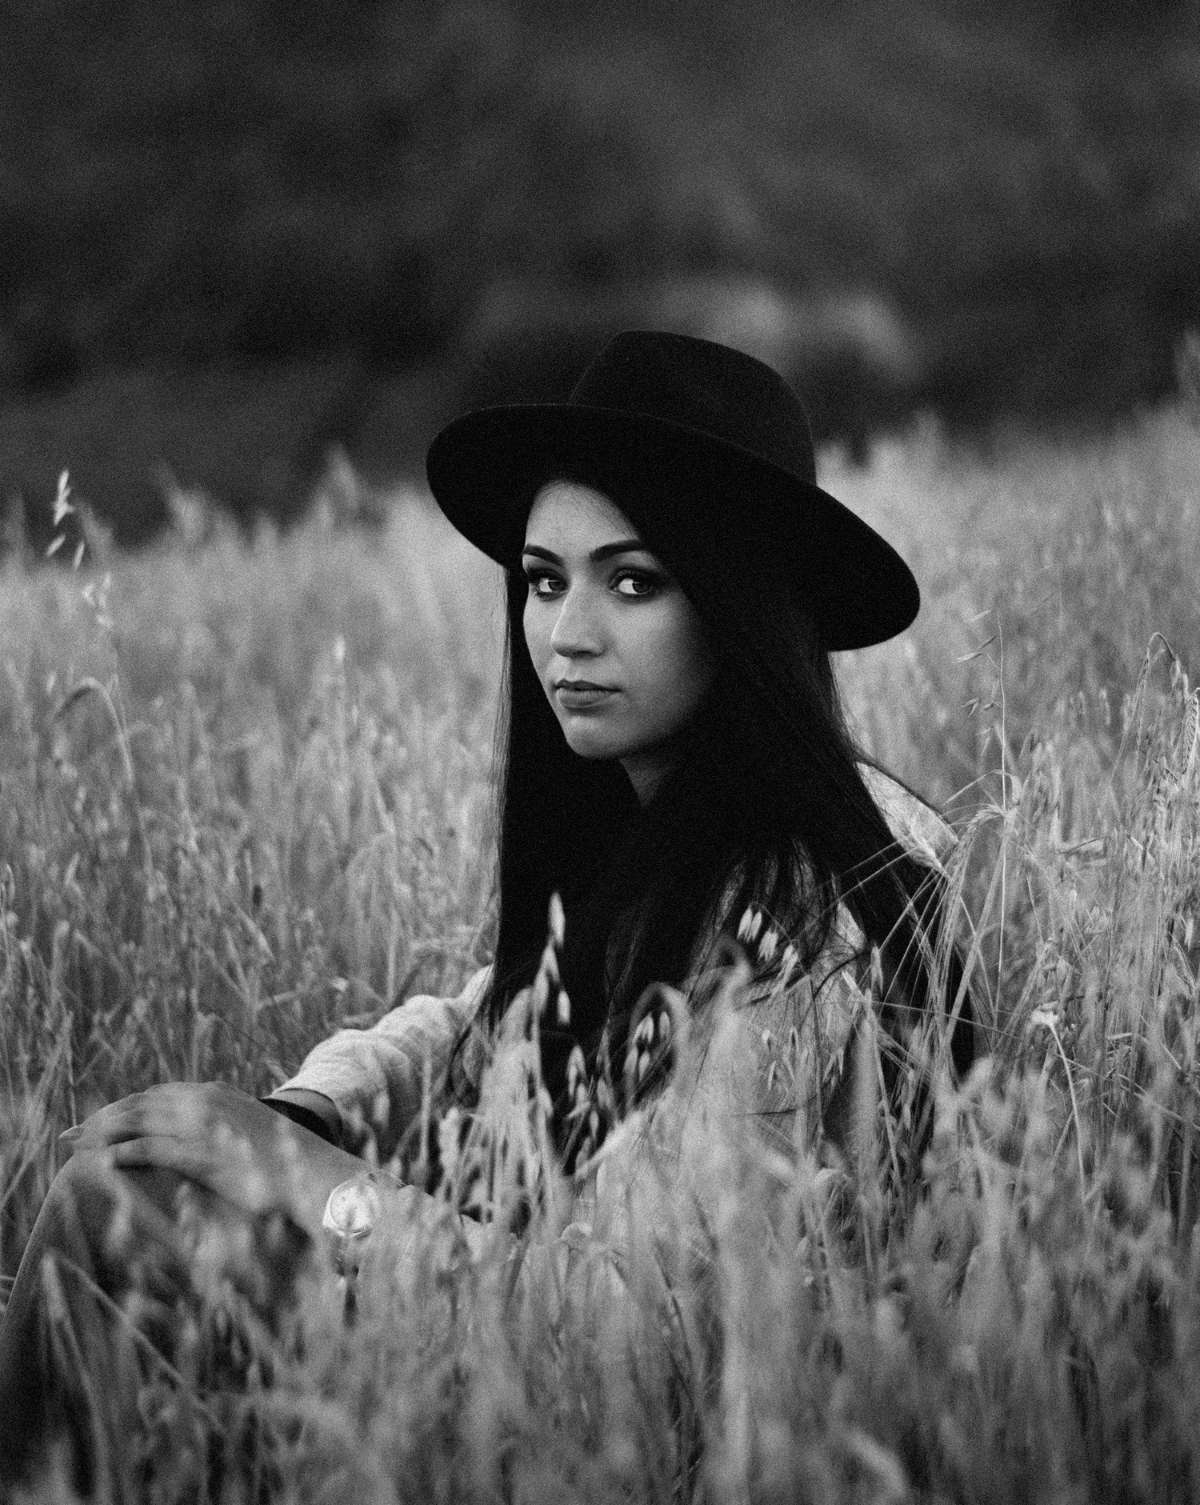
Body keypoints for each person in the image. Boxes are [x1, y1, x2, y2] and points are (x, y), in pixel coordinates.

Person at [0, 331, 974, 1490]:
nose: (567, 633)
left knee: (116, 1208)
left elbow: (620, 1326)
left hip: (654, 1438)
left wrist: (307, 1181)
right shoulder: (687, 822)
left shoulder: (793, 917)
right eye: (545, 579)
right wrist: (305, 1109)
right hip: (555, 1364)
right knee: (132, 1181)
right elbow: (489, 1019)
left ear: (741, 602)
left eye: (633, 581)